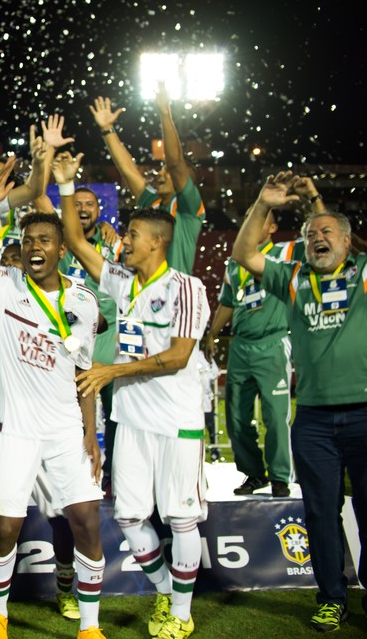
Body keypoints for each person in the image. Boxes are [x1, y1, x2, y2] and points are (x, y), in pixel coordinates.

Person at [0, 158, 113, 639]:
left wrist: (89, 433)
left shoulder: (84, 301)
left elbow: (85, 374)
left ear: (62, 250)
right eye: (30, 241)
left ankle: (89, 625)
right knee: (8, 526)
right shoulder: (3, 282)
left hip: (65, 432)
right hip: (15, 430)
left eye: (46, 241)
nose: (36, 247)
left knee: (86, 521)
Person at [58, 150, 210, 639]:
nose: (124, 243)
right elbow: (77, 242)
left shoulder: (187, 288)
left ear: (157, 243)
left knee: (180, 516)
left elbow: (178, 357)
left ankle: (181, 615)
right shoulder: (122, 283)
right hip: (132, 419)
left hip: (177, 421)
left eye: (133, 238)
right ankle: (169, 593)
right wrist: (63, 187)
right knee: (128, 517)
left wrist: (112, 371)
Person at [232, 171, 367, 632]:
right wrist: (262, 202)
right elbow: (243, 253)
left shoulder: (363, 275)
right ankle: (332, 597)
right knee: (319, 513)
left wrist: (316, 204)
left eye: (328, 234)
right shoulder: (293, 279)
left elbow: (332, 227)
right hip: (312, 419)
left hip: (365, 413)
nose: (317, 239)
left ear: (350, 243)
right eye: (310, 235)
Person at [206, 208, 292, 497]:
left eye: (260, 219)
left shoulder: (286, 251)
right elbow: (227, 303)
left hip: (273, 342)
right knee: (236, 418)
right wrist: (213, 333)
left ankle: (280, 475)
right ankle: (254, 474)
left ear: (272, 228)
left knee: (275, 417)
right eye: (248, 218)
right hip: (241, 346)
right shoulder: (235, 263)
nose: (251, 223)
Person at [90, 83, 204, 274]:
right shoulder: (153, 203)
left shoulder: (188, 208)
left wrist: (165, 114)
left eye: (166, 172)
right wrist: (107, 129)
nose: (160, 174)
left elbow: (176, 164)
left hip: (173, 296)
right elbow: (128, 170)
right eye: (161, 169)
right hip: (143, 291)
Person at [57, 187, 122, 491]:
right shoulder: (57, 242)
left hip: (107, 333)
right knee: (68, 407)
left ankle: (113, 474)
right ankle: (70, 471)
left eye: (90, 204)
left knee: (114, 409)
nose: (83, 209)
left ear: (99, 210)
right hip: (67, 333)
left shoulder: (114, 244)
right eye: (77, 204)